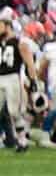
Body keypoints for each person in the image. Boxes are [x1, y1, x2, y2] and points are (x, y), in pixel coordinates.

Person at [0, 9, 39, 151]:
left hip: (13, 78)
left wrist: (33, 81)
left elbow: (29, 63)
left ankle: (22, 141)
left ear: (8, 25)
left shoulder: (19, 42)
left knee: (14, 112)